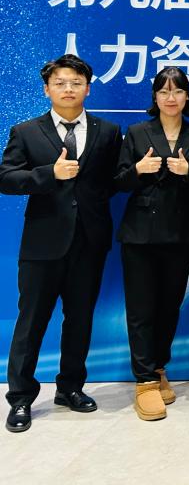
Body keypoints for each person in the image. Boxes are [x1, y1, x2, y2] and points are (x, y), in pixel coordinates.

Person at [0, 55, 122, 433]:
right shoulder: (26, 131)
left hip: (89, 241)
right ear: (47, 89)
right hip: (42, 244)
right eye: (60, 83)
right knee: (31, 322)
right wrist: (47, 174)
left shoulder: (107, 131)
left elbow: (111, 181)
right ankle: (21, 397)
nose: (68, 89)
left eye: (76, 82)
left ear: (88, 88)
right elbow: (6, 178)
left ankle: (70, 388)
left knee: (80, 320)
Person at [114, 66, 189, 422]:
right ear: (155, 96)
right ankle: (145, 380)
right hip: (140, 235)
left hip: (180, 234)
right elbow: (118, 181)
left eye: (177, 91)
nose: (170, 97)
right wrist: (138, 170)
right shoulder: (137, 132)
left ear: (186, 97)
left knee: (169, 307)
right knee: (141, 309)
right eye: (164, 91)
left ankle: (159, 366)